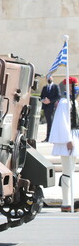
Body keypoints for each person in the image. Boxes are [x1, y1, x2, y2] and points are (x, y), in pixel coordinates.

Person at [49, 77, 79, 212]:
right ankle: (66, 203)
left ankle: (69, 201)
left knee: (70, 171)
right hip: (67, 142)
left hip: (73, 140)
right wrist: (68, 140)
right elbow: (62, 123)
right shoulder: (64, 103)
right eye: (75, 86)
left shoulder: (73, 103)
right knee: (67, 172)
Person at [40, 76, 61, 142]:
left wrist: (50, 100)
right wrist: (44, 100)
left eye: (50, 77)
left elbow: (58, 96)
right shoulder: (45, 88)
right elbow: (41, 97)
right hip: (46, 108)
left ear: (52, 78)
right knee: (49, 122)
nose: (49, 79)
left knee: (51, 122)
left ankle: (52, 137)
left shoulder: (55, 86)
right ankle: (48, 137)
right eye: (48, 78)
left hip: (53, 107)